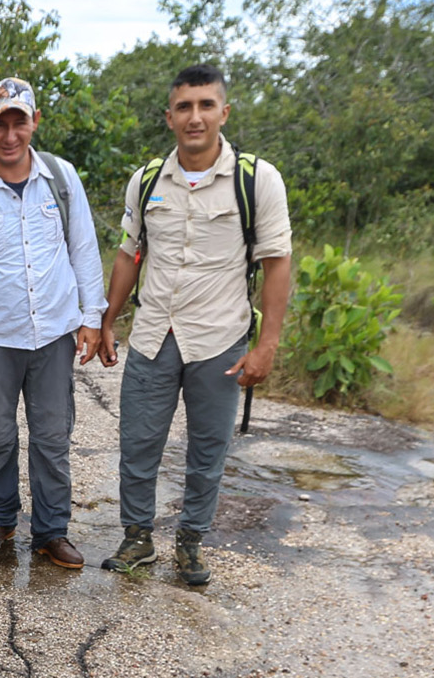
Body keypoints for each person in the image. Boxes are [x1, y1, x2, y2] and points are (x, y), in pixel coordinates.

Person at [84, 64, 292, 585]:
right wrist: (108, 319)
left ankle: (191, 543)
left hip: (220, 339)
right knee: (138, 446)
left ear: (224, 111)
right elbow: (130, 254)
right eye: (184, 107)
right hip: (154, 334)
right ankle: (137, 539)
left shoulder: (256, 179)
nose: (194, 117)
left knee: (207, 450)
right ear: (169, 116)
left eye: (205, 105)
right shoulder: (148, 179)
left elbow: (277, 262)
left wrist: (267, 345)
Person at [0, 77, 106, 569]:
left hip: (54, 332)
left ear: (35, 123)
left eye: (20, 122)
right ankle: (0, 518)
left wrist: (90, 318)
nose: (10, 135)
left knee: (53, 437)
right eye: (0, 124)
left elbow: (83, 249)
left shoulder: (61, 178)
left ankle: (52, 531)